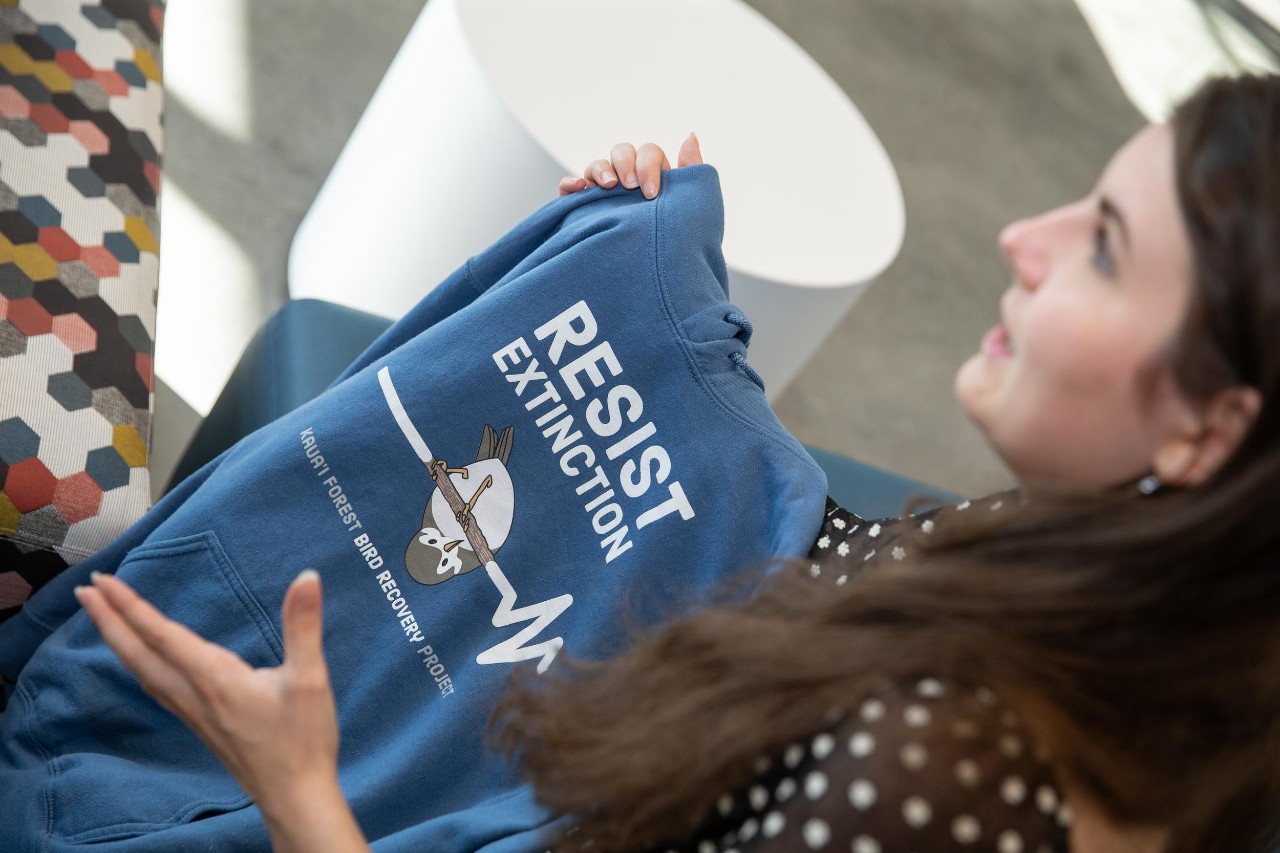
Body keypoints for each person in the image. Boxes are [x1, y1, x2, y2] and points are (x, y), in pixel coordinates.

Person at [30, 71, 1280, 852]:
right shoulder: (1115, 596)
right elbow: (838, 560)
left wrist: (299, 791)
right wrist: (649, 308)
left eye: (1104, 250)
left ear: (1207, 430)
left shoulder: (927, 786)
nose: (1020, 237)